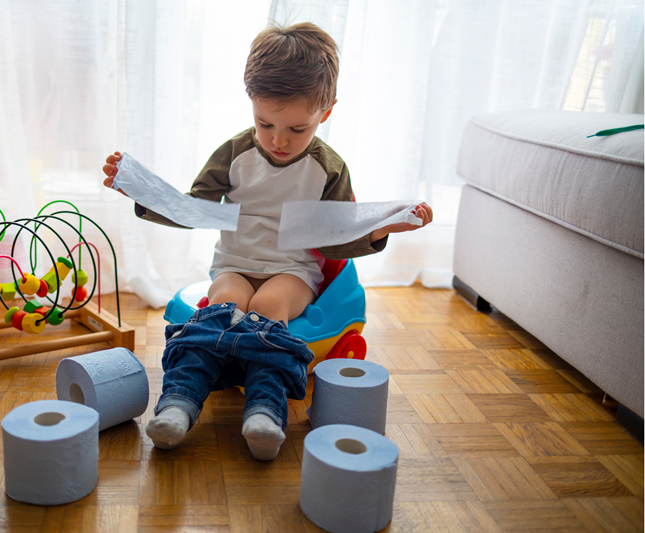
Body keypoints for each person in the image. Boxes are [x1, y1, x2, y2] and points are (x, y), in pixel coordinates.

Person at [103, 22, 433, 460]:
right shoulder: (234, 153)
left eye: (297, 129)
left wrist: (385, 227)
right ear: (252, 105)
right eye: (265, 123)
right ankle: (179, 402)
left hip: (291, 271)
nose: (279, 140)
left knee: (267, 308)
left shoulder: (328, 168)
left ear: (326, 112)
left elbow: (337, 237)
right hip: (235, 263)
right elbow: (193, 208)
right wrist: (140, 192)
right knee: (223, 305)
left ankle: (265, 409)